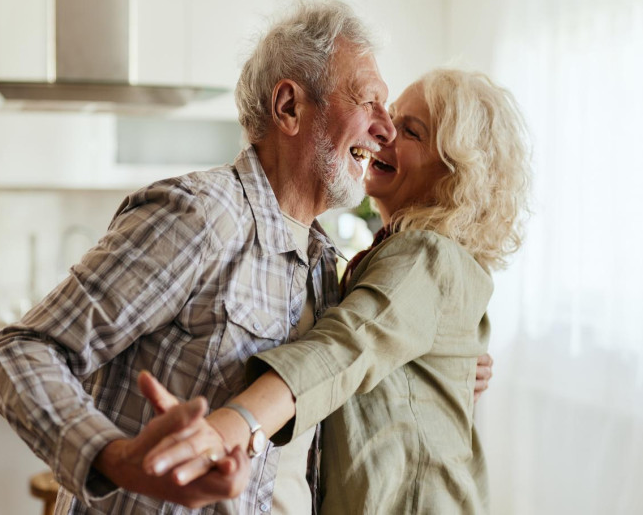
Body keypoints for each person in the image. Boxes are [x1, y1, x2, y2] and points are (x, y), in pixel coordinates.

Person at [0, 0, 396, 514]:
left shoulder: (321, 265)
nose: (387, 129)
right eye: (368, 101)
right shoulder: (201, 217)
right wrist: (112, 455)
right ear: (289, 106)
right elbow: (19, 351)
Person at [140, 68, 532, 514]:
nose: (384, 132)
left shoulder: (425, 255)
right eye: (391, 117)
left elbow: (345, 347)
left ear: (455, 173)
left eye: (411, 131)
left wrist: (233, 425)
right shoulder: (394, 253)